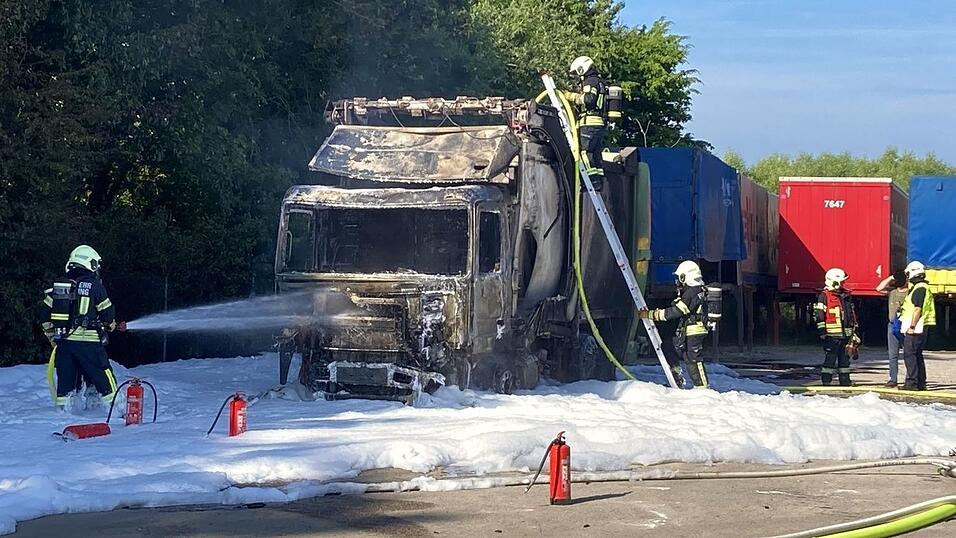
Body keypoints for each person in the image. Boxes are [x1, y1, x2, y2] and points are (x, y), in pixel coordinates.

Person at [40, 245, 125, 409]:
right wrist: (111, 324)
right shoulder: (95, 286)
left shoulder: (59, 288)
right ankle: (117, 408)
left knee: (66, 380)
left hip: (64, 343)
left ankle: (64, 412)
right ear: (90, 263)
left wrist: (52, 337)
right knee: (102, 373)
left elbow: (44, 316)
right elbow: (107, 315)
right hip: (89, 342)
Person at [640, 260, 710, 388]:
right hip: (691, 329)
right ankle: (677, 378)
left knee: (693, 358)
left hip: (693, 330)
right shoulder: (696, 290)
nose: (678, 280)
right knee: (669, 347)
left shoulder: (691, 292)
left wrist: (651, 315)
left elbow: (676, 311)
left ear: (686, 276)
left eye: (679, 277)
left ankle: (702, 387)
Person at [567, 55, 608, 191]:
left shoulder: (590, 81)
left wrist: (570, 96)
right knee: (596, 154)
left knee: (584, 152)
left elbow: (589, 99)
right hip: (599, 124)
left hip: (589, 123)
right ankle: (599, 181)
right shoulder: (600, 81)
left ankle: (590, 182)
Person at [813, 268, 859, 386]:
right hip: (831, 336)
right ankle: (826, 382)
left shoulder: (845, 296)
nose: (843, 284)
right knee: (830, 360)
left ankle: (845, 382)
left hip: (846, 335)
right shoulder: (824, 296)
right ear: (834, 282)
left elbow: (850, 315)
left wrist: (853, 333)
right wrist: (822, 332)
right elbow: (819, 315)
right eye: (842, 282)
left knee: (844, 361)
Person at [899, 261, 935, 391]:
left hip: (916, 326)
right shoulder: (923, 287)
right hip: (921, 326)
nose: (907, 277)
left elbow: (917, 309)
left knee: (910, 354)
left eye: (908, 274)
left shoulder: (919, 289)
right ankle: (920, 383)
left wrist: (912, 326)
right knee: (917, 354)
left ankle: (911, 383)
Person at [876, 270, 908, 387]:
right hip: (892, 324)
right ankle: (892, 379)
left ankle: (909, 378)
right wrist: (891, 277)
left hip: (905, 325)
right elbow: (879, 288)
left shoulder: (910, 293)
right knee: (892, 354)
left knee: (908, 354)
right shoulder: (892, 292)